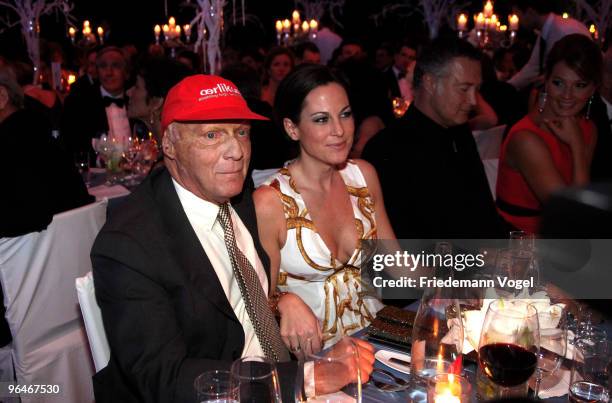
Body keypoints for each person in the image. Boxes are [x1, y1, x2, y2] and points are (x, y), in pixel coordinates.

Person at [91, 74, 374, 403]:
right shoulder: (129, 245)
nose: (236, 151)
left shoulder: (238, 199)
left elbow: (245, 290)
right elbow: (165, 378)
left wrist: (281, 299)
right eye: (212, 135)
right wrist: (307, 377)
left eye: (241, 132)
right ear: (169, 144)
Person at [254, 64, 395, 353]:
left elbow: (395, 260)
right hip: (318, 361)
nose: (340, 131)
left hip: (381, 343)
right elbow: (255, 301)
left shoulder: (363, 175)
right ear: (292, 128)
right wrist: (283, 301)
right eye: (321, 120)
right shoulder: (270, 202)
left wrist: (454, 286)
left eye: (345, 114)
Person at [362, 37, 509, 239]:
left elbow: (484, 212)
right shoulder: (388, 149)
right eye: (464, 89)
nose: (473, 101)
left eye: (477, 90)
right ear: (430, 82)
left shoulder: (459, 132)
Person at [496, 34, 602, 234]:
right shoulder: (526, 138)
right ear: (545, 80)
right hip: (518, 244)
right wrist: (577, 147)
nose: (567, 96)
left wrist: (577, 143)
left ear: (593, 89)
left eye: (580, 85)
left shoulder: (588, 128)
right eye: (558, 83)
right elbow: (572, 215)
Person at [0, 66, 93, 238]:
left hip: (24, 260)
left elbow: (28, 214)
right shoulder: (41, 136)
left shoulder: (11, 145)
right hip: (75, 252)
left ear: (2, 97)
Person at [61, 46, 131, 158]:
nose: (109, 73)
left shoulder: (135, 101)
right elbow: (73, 147)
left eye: (115, 65)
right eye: (103, 66)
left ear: (126, 72)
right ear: (97, 72)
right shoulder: (78, 104)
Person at [508, 0, 590, 91]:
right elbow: (532, 68)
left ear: (530, 12)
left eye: (519, 15)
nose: (519, 21)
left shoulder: (562, 30)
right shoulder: (547, 31)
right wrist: (506, 87)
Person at [126, 57, 190, 142]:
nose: (128, 92)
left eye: (137, 87)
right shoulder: (163, 147)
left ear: (157, 103)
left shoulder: (177, 152)